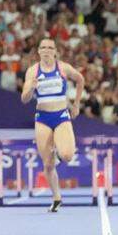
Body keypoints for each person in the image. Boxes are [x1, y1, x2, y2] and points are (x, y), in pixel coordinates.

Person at [19, 38, 84, 212]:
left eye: (50, 48)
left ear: (55, 51)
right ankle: (56, 197)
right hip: (42, 118)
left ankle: (58, 149)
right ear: (38, 51)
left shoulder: (63, 67)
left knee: (68, 155)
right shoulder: (33, 71)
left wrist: (76, 104)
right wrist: (31, 88)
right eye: (43, 48)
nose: (47, 50)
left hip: (61, 115)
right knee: (48, 164)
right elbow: (24, 99)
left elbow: (80, 79)